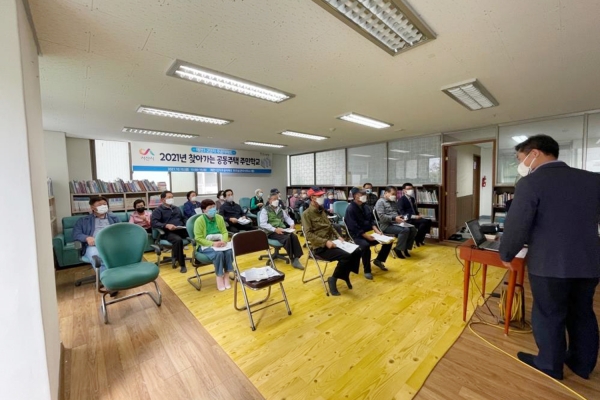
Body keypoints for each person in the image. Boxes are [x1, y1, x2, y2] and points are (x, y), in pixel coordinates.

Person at [499, 134, 600, 381]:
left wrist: (507, 253)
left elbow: (517, 224)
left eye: (521, 158)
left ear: (534, 153)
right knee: (582, 312)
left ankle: (549, 364)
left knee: (549, 314)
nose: (521, 164)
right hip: (589, 262)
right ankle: (582, 365)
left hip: (549, 263)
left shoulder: (531, 183)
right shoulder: (593, 180)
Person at [302, 186, 361, 296]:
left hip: (333, 242)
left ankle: (344, 274)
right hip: (320, 247)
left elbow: (330, 226)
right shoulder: (306, 214)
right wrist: (325, 242)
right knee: (346, 256)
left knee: (357, 251)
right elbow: (308, 235)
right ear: (312, 198)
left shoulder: (321, 210)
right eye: (319, 196)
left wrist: (338, 236)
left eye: (322, 195)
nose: (322, 197)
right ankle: (333, 279)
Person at [345, 187, 392, 280]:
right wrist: (366, 236)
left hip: (370, 232)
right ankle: (367, 270)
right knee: (365, 246)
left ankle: (378, 260)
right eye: (362, 194)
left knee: (388, 241)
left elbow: (371, 220)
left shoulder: (365, 206)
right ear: (355, 196)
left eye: (364, 194)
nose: (364, 196)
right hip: (357, 235)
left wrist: (377, 231)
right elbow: (353, 227)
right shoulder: (350, 209)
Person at [194, 199, 234, 291]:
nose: (213, 209)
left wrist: (224, 241)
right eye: (210, 208)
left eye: (213, 207)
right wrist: (213, 244)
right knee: (219, 254)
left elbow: (224, 232)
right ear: (204, 210)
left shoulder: (219, 218)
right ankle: (219, 277)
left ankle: (226, 276)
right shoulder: (199, 221)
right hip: (205, 245)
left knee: (229, 251)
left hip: (220, 242)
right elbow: (198, 238)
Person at [259, 189, 304, 269]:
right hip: (271, 232)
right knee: (287, 238)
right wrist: (275, 229)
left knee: (294, 236)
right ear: (269, 201)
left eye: (277, 199)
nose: (276, 201)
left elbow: (287, 218)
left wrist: (292, 224)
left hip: (282, 229)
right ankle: (293, 259)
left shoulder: (280, 210)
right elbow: (263, 223)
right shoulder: (265, 210)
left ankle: (297, 257)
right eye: (274, 199)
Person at [73, 196, 120, 273]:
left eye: (104, 204)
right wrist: (87, 238)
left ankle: (122, 274)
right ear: (92, 207)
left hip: (112, 244)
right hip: (94, 246)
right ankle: (106, 277)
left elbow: (120, 231)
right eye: (99, 205)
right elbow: (76, 234)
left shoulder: (114, 218)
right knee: (96, 256)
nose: (103, 206)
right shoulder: (83, 221)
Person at [374, 186, 417, 259]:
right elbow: (381, 217)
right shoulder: (380, 202)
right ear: (386, 193)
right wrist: (394, 218)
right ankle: (398, 249)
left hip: (396, 223)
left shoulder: (394, 202)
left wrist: (402, 217)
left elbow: (398, 212)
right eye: (393, 194)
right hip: (386, 225)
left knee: (413, 229)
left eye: (395, 194)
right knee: (405, 230)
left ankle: (405, 248)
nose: (394, 196)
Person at [151, 190, 188, 273]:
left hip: (180, 229)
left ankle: (198, 259)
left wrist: (187, 224)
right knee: (178, 240)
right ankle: (182, 264)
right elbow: (154, 223)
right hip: (167, 232)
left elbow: (183, 218)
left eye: (172, 197)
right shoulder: (158, 210)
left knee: (196, 234)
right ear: (162, 199)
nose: (171, 199)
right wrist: (166, 225)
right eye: (169, 197)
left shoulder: (176, 208)